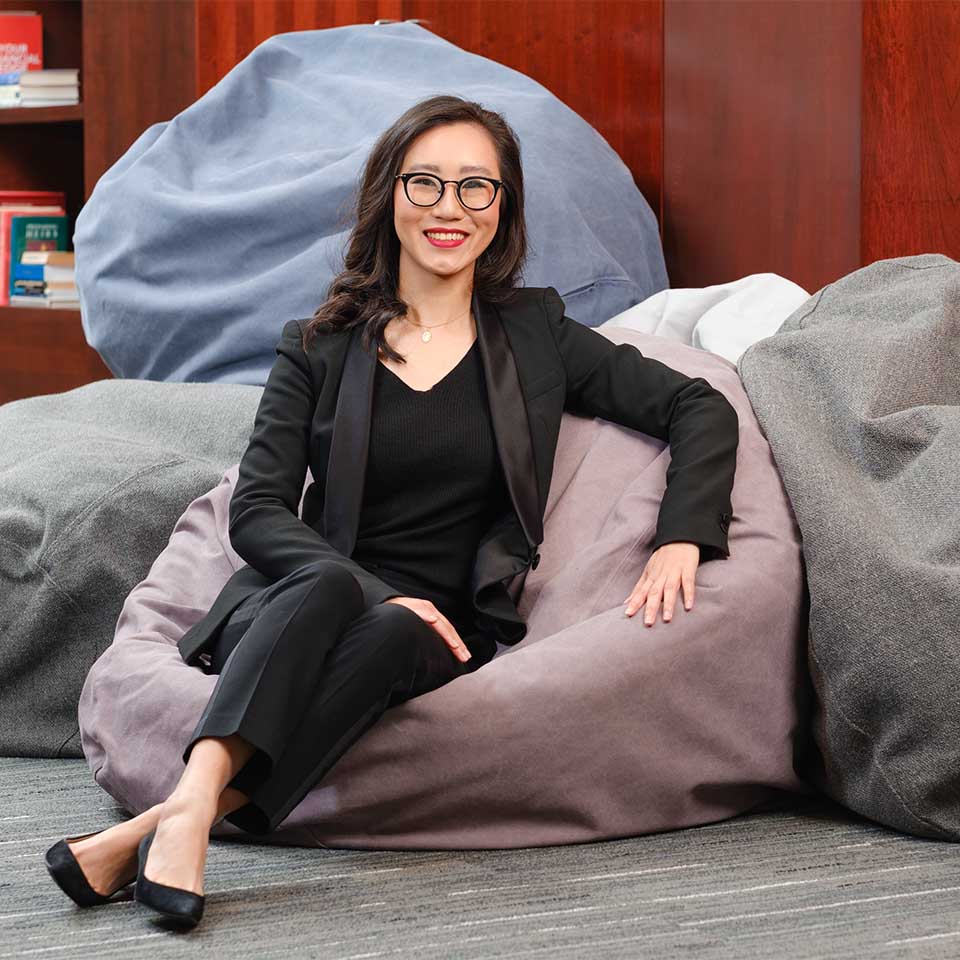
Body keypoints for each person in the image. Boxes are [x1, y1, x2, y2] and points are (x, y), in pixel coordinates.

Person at [44, 94, 738, 929]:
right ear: (390, 196)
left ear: (503, 207)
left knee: (403, 628)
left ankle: (167, 817)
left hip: (442, 627)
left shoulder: (536, 333)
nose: (451, 208)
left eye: (477, 187)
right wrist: (375, 587)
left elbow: (699, 405)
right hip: (294, 606)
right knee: (339, 591)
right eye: (428, 183)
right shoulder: (318, 344)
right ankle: (194, 811)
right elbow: (259, 510)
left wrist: (683, 536)